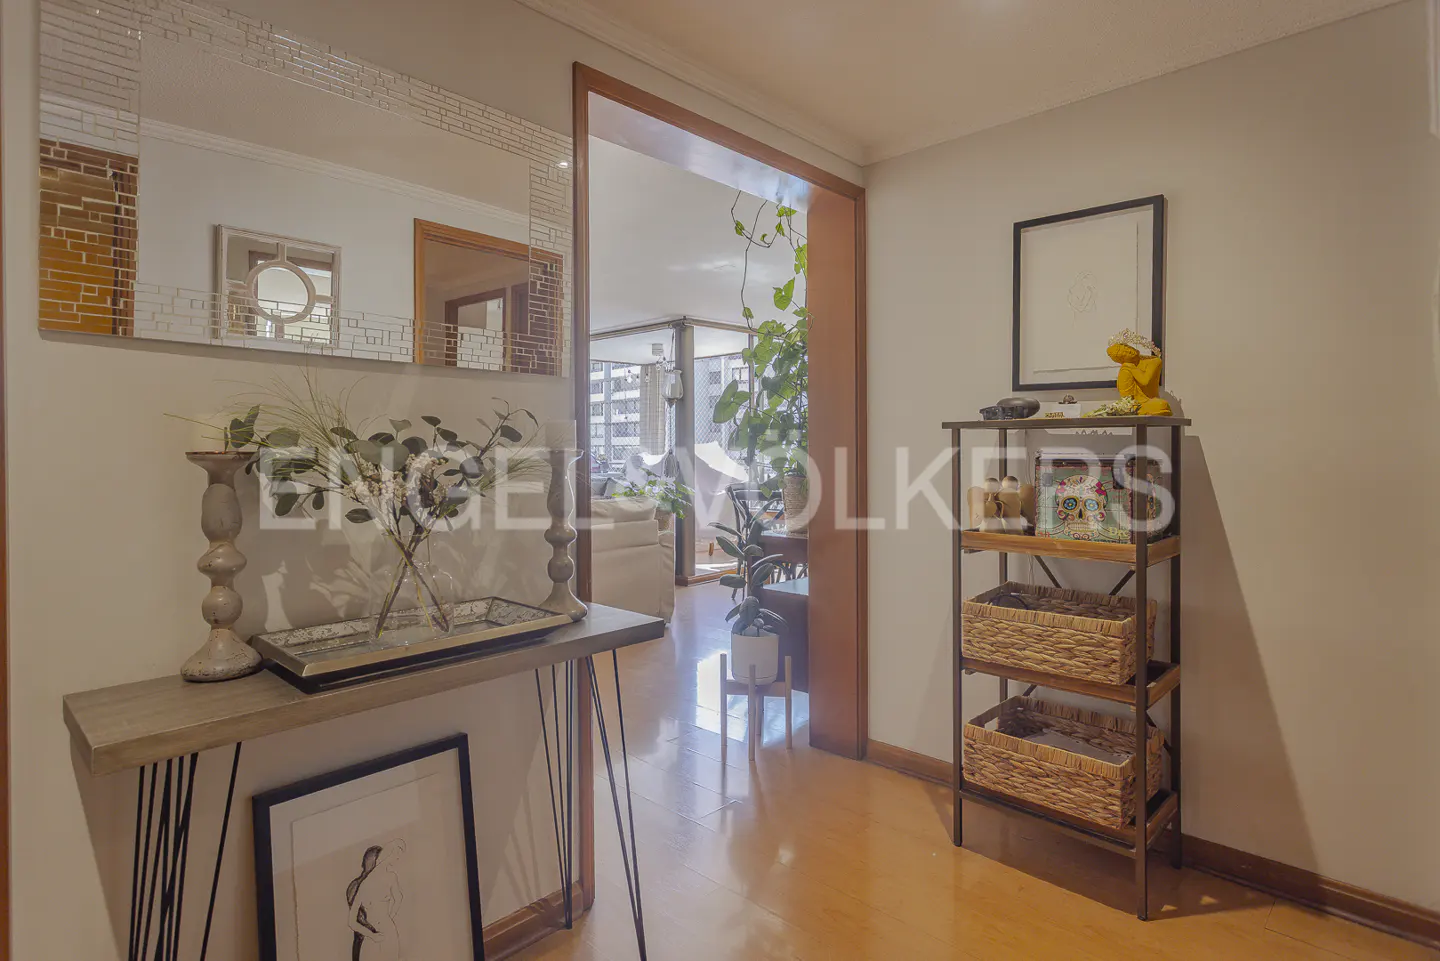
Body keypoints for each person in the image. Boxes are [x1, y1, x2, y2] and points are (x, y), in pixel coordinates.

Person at [346, 840, 407, 960]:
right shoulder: (360, 885)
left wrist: (388, 918)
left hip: (386, 933)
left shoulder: (390, 878)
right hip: (369, 937)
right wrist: (372, 934)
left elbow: (399, 898)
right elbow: (353, 920)